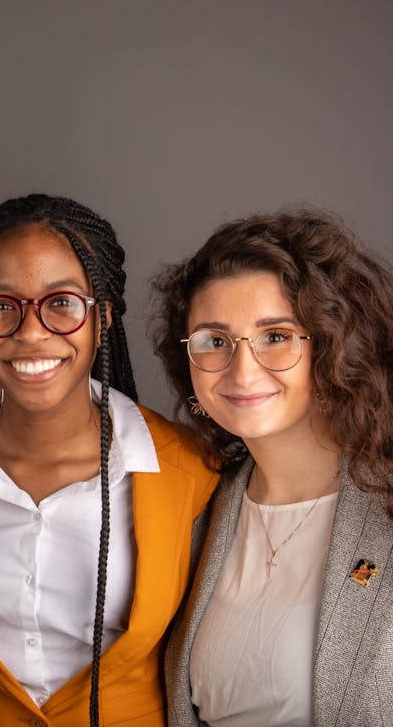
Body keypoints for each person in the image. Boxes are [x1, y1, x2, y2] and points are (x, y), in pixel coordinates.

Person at [0, 194, 218, 727]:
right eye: (1, 305)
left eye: (63, 302)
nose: (30, 332)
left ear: (105, 316)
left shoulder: (190, 468)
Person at [152, 208, 393, 726]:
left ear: (331, 344)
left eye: (276, 336)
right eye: (215, 341)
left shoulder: (386, 506)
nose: (242, 369)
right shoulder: (195, 507)